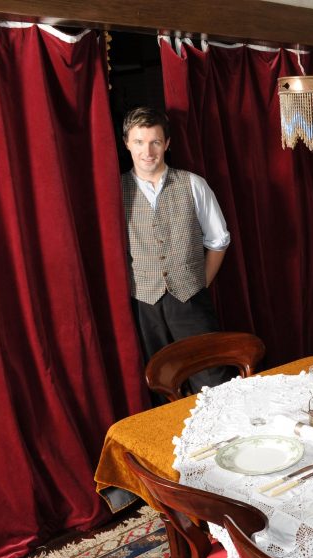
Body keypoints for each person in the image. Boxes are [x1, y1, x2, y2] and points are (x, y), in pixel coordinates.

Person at [121, 106, 232, 394]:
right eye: (139, 142)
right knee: (160, 383)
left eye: (155, 142)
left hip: (191, 299)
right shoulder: (116, 191)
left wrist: (200, 284)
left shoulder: (193, 184)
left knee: (211, 379)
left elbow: (219, 240)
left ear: (167, 144)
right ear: (127, 144)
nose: (148, 151)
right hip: (144, 302)